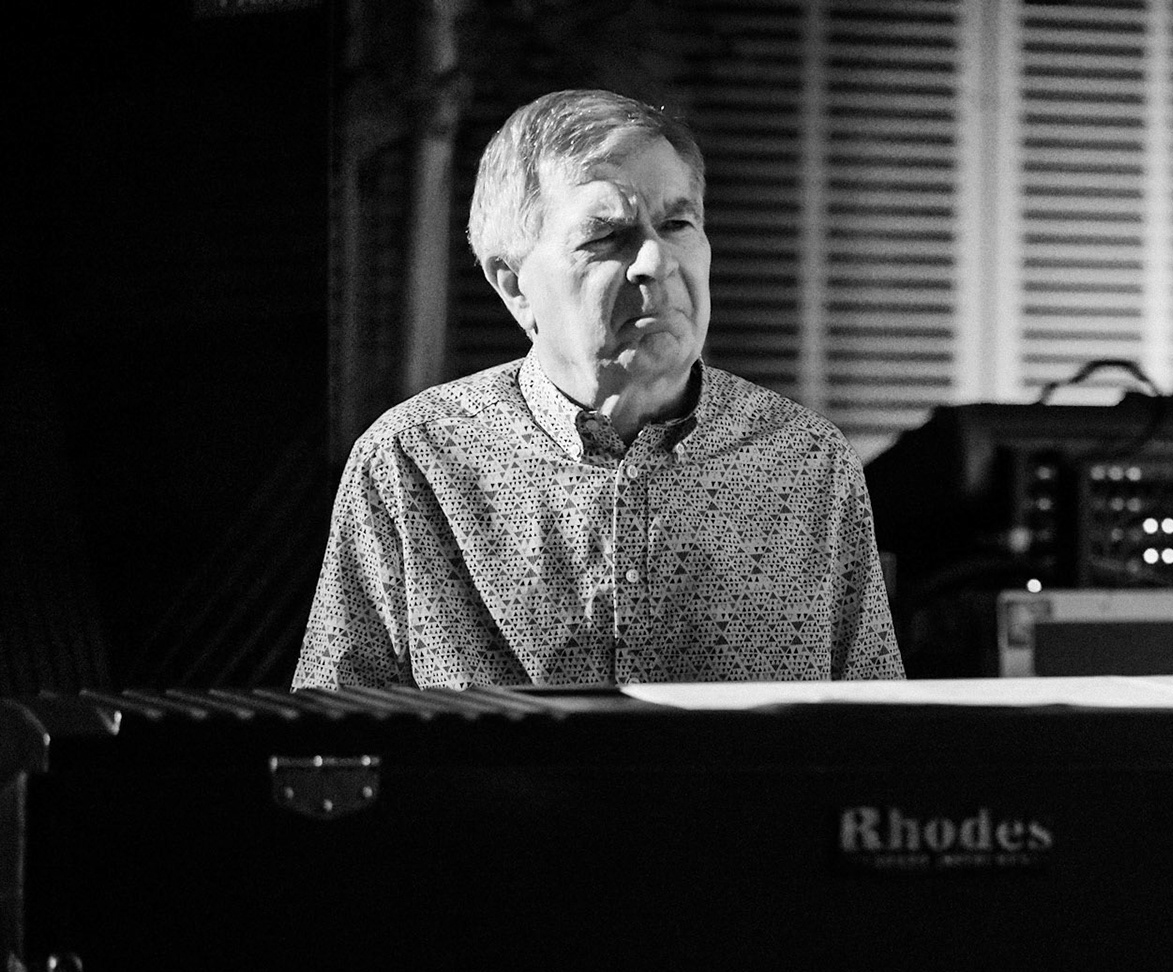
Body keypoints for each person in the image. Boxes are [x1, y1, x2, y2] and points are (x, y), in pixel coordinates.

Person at [294, 89, 903, 688]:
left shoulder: (807, 462)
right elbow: (329, 747)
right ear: (514, 286)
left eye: (677, 223)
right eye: (606, 237)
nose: (655, 263)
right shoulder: (412, 461)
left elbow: (880, 744)